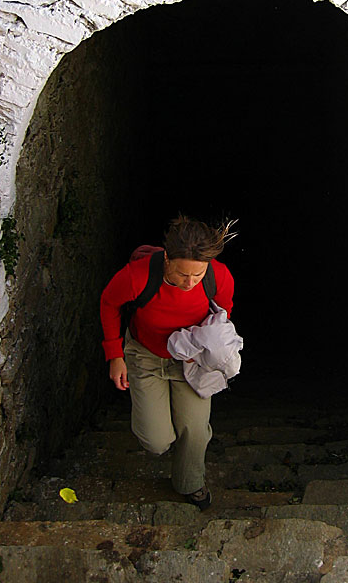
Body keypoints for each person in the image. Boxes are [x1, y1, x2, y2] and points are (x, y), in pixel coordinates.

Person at [100, 215, 236, 510]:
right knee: (156, 441)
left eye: (197, 276)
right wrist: (115, 354)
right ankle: (161, 430)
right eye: (182, 275)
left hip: (190, 362)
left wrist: (206, 345)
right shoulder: (137, 276)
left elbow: (222, 313)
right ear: (167, 260)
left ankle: (190, 484)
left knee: (195, 429)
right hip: (146, 356)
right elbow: (109, 302)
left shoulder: (219, 276)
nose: (189, 283)